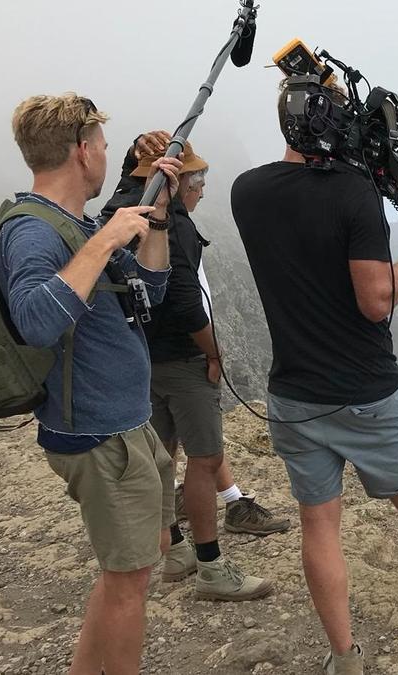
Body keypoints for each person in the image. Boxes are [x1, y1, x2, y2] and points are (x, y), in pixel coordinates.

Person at [229, 78, 398, 675]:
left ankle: (344, 658)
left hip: (294, 395)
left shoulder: (246, 191)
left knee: (319, 523)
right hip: (367, 392)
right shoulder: (354, 194)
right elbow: (376, 301)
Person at [0, 93, 181, 675]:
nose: (106, 155)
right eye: (102, 146)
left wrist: (157, 217)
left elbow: (148, 292)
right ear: (82, 152)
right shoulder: (32, 232)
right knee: (129, 586)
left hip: (129, 425)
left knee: (137, 563)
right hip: (99, 436)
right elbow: (35, 321)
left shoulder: (79, 224)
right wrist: (105, 240)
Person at [100, 136, 283, 600]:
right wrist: (215, 353)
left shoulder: (123, 210)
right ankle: (211, 567)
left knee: (163, 453)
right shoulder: (171, 226)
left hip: (141, 357)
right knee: (205, 460)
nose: (201, 194)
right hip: (183, 359)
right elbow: (184, 303)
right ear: (180, 185)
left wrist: (134, 154)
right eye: (198, 185)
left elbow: (130, 179)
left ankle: (176, 549)